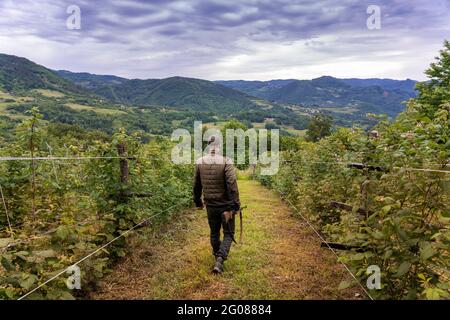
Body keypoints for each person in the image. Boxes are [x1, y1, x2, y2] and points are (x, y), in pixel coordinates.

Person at [193, 135, 240, 274]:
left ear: (208, 146)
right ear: (219, 146)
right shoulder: (226, 161)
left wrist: (198, 201)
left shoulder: (199, 161)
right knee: (228, 233)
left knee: (214, 232)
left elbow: (196, 185)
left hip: (210, 205)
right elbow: (232, 185)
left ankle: (217, 255)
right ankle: (220, 259)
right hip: (225, 206)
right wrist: (235, 205)